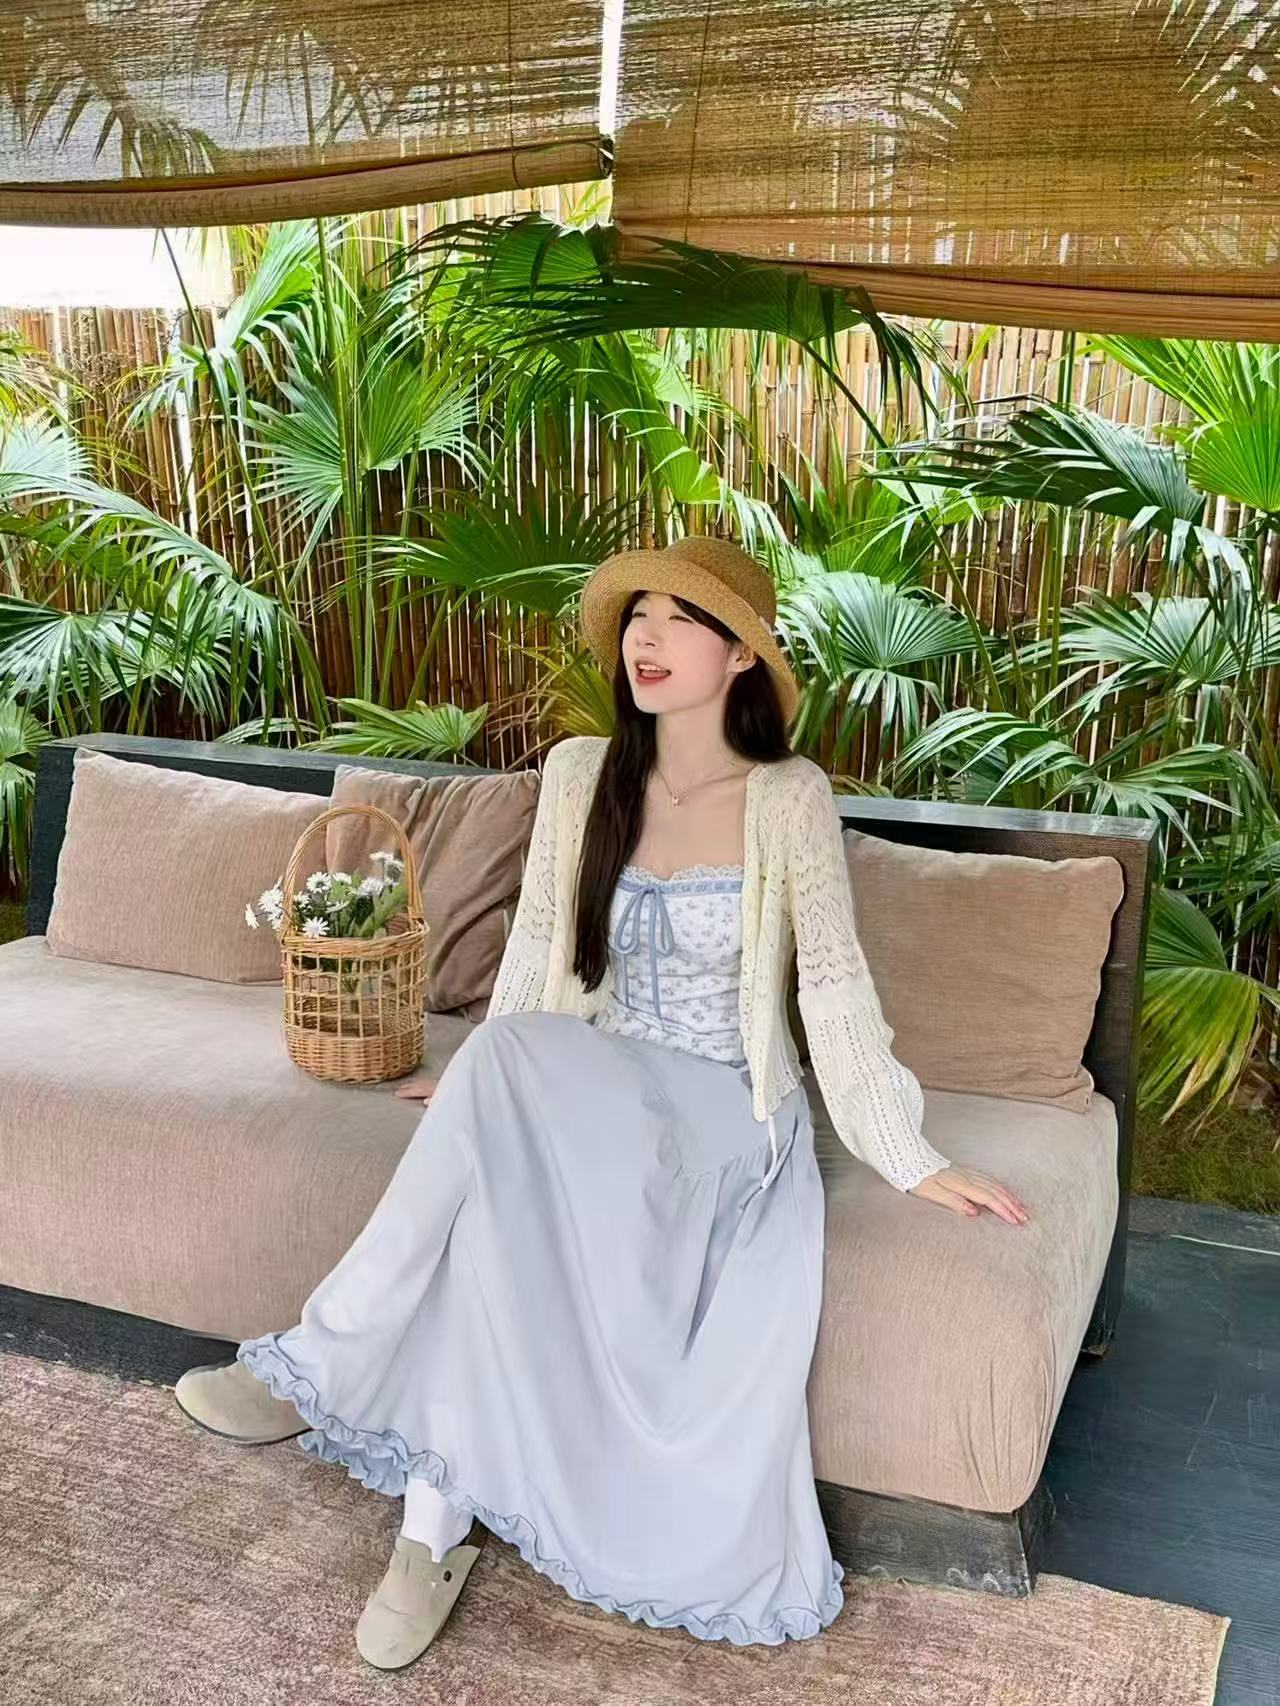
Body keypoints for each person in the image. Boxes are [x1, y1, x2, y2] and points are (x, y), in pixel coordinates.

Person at [174, 536, 1030, 1669]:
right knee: (493, 1199)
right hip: (603, 1093)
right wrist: (487, 1089)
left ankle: (320, 1369)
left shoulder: (788, 796)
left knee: (503, 1099)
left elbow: (831, 984)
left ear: (740, 656)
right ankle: (425, 1538)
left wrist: (909, 1153)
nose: (647, 637)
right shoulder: (583, 774)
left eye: (682, 619)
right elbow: (537, 953)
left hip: (728, 1116)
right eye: (638, 615)